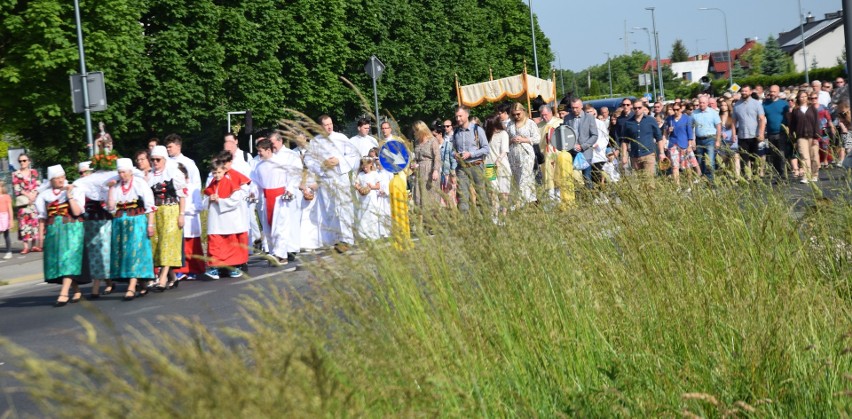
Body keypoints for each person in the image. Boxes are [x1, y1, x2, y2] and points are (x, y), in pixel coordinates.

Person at [303, 115, 361, 252]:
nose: (329, 127)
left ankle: (345, 240)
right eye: (326, 125)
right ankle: (334, 239)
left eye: (331, 124)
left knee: (343, 208)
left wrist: (339, 160)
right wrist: (322, 165)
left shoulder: (341, 138)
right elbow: (309, 161)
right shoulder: (315, 142)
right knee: (329, 210)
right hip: (326, 179)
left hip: (340, 178)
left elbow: (354, 156)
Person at [36, 165, 86, 306]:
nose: (60, 180)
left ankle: (63, 293)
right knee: (60, 263)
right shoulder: (44, 196)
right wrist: (40, 236)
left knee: (69, 259)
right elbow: (42, 218)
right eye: (56, 178)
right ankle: (75, 289)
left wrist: (69, 195)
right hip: (54, 231)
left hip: (72, 229)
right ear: (51, 180)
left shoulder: (75, 190)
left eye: (62, 177)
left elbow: (77, 212)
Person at [107, 158, 156, 301]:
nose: (121, 175)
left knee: (135, 251)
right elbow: (111, 207)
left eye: (124, 172)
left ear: (130, 171)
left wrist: (150, 225)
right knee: (125, 253)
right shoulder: (116, 186)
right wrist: (110, 188)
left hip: (136, 221)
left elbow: (150, 205)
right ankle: (142, 283)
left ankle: (131, 287)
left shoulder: (140, 183)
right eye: (119, 172)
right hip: (121, 223)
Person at [252, 139, 301, 270]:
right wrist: (253, 193)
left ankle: (282, 255)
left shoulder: (281, 163)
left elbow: (292, 178)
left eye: (260, 151)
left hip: (280, 199)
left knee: (280, 228)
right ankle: (273, 253)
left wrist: (289, 190)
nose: (259, 153)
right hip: (267, 198)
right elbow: (255, 183)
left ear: (268, 150)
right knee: (268, 229)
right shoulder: (259, 166)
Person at [73, 160, 116, 299]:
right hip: (87, 223)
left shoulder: (99, 185)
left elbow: (109, 203)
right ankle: (108, 281)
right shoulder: (79, 187)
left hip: (102, 221)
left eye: (86, 172)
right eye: (81, 172)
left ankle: (96, 286)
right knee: (93, 254)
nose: (84, 174)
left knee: (102, 252)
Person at [204, 157, 252, 278]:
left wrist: (219, 200)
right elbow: (204, 200)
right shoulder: (212, 185)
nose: (217, 175)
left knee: (230, 244)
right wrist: (209, 199)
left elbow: (235, 200)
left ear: (224, 171)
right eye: (214, 173)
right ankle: (214, 267)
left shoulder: (231, 183)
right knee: (215, 243)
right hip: (215, 219)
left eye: (219, 172)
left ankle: (233, 266)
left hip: (228, 219)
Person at [148, 145, 186, 290]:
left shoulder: (174, 173)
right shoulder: (150, 176)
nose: (155, 163)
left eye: (158, 160)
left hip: (171, 210)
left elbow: (182, 196)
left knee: (168, 243)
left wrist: (181, 215)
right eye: (153, 160)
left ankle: (162, 277)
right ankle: (173, 277)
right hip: (157, 212)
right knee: (157, 243)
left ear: (164, 159)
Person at [451, 105, 491, 213]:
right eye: (456, 117)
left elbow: (486, 149)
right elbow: (452, 149)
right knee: (462, 196)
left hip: (476, 165)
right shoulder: (455, 132)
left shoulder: (477, 130)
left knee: (482, 195)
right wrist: (454, 154)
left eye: (460, 116)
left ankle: (485, 221)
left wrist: (471, 154)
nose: (458, 119)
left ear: (467, 115)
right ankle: (465, 225)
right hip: (461, 168)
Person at [173, 163, 204, 281]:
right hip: (177, 222)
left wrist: (183, 210)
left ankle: (194, 270)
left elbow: (198, 206)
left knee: (191, 249)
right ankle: (180, 270)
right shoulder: (175, 188)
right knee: (180, 248)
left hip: (191, 222)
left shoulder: (193, 188)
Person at [506, 102, 540, 205]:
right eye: (514, 114)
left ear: (523, 112)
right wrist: (512, 140)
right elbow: (506, 139)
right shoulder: (510, 124)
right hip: (513, 154)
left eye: (518, 114)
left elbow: (537, 138)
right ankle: (531, 200)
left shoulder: (530, 123)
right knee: (517, 178)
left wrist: (524, 139)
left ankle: (522, 202)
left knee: (524, 178)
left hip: (526, 153)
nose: (516, 116)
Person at [619, 100, 664, 178]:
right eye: (635, 108)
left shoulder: (651, 120)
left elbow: (659, 138)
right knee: (640, 181)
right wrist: (624, 156)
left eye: (639, 107)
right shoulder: (628, 123)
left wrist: (662, 153)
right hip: (634, 156)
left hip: (648, 154)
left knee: (649, 181)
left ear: (643, 108)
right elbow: (625, 141)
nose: (637, 110)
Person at [731, 85, 767, 179]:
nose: (743, 93)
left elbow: (762, 119)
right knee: (744, 159)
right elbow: (734, 122)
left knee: (755, 159)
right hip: (742, 136)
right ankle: (746, 178)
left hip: (754, 136)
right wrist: (733, 134)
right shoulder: (737, 105)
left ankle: (755, 178)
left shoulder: (756, 104)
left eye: (745, 91)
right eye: (742, 91)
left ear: (750, 92)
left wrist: (761, 133)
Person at [562, 98, 598, 185]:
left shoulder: (589, 118)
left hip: (585, 153)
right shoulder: (567, 118)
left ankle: (589, 197)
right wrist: (571, 145)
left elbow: (594, 135)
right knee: (574, 178)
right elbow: (565, 134)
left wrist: (583, 146)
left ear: (581, 106)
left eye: (577, 107)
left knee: (587, 178)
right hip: (572, 152)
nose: (574, 110)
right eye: (573, 107)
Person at [788, 91, 821, 184]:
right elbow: (792, 124)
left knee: (814, 155)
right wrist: (792, 136)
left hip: (812, 135)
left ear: (807, 97)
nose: (803, 98)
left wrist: (816, 137)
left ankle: (814, 174)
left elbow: (816, 123)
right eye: (801, 97)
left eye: (805, 96)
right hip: (801, 136)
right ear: (798, 98)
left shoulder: (812, 109)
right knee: (804, 156)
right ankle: (806, 175)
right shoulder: (796, 110)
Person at [12, 153, 41, 254]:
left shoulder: (34, 172)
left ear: (29, 161)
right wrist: (29, 195)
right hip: (24, 202)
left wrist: (34, 194)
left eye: (24, 160)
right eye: (20, 161)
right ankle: (25, 246)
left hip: (33, 201)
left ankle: (33, 245)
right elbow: (17, 188)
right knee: (23, 223)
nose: (22, 163)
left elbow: (38, 184)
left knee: (34, 222)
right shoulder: (16, 174)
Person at [663, 102, 699, 185]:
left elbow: (690, 133)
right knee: (675, 166)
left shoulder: (687, 118)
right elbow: (665, 132)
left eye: (677, 109)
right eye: (674, 110)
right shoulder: (669, 119)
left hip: (684, 144)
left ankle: (690, 183)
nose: (675, 111)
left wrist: (690, 145)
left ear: (681, 109)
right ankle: (677, 186)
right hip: (673, 144)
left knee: (687, 166)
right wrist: (669, 130)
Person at [762, 85, 792, 179]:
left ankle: (784, 175)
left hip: (782, 132)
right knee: (774, 155)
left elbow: (788, 117)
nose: (772, 93)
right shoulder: (764, 105)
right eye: (771, 91)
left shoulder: (784, 104)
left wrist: (789, 130)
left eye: (774, 92)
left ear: (778, 92)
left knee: (782, 154)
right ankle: (778, 175)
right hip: (771, 133)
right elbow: (762, 119)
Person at [411, 121, 441, 209]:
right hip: (419, 172)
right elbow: (415, 157)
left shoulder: (432, 140)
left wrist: (436, 170)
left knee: (430, 198)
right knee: (419, 197)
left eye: (416, 131)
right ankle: (422, 219)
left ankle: (432, 219)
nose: (414, 133)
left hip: (429, 171)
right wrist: (413, 164)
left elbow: (437, 157)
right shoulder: (416, 142)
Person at [692, 95, 722, 181]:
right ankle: (703, 178)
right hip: (699, 139)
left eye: (703, 103)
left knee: (710, 161)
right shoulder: (694, 113)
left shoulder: (713, 113)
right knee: (700, 160)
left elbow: (718, 126)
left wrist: (718, 140)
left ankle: (710, 180)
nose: (701, 104)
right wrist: (693, 140)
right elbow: (692, 127)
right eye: (700, 102)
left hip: (710, 139)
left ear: (707, 103)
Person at [485, 114, 510, 214]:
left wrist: (498, 160)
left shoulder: (503, 134)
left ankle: (503, 215)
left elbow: (504, 150)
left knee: (504, 192)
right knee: (492, 191)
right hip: (489, 166)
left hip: (502, 165)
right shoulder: (487, 135)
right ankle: (494, 213)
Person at [354, 158, 382, 240]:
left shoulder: (374, 174)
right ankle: (363, 234)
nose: (365, 168)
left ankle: (373, 234)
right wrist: (359, 188)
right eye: (363, 167)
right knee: (363, 214)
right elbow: (356, 184)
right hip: (363, 197)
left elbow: (378, 186)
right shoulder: (361, 175)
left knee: (372, 214)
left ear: (370, 165)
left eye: (366, 166)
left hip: (371, 196)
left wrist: (371, 187)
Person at [538, 104, 562, 199]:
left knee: (558, 174)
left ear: (551, 112)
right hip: (545, 154)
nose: (544, 117)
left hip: (557, 153)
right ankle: (550, 197)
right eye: (542, 115)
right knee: (548, 176)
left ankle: (559, 195)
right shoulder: (539, 126)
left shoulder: (559, 122)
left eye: (546, 114)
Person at [585, 105, 610, 186]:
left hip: (598, 155)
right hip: (587, 155)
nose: (589, 113)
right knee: (589, 178)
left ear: (594, 112)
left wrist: (597, 145)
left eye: (590, 112)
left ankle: (603, 195)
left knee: (599, 177)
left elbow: (605, 138)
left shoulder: (600, 123)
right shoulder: (583, 124)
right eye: (587, 112)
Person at [438, 119, 458, 208]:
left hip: (451, 167)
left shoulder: (455, 136)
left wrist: (453, 172)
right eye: (444, 126)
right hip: (443, 170)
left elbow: (453, 157)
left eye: (447, 126)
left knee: (452, 195)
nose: (446, 128)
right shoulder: (443, 137)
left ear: (452, 126)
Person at [0, 181, 12, 259]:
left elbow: (10, 208)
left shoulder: (6, 196)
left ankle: (8, 251)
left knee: (6, 234)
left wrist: (10, 220)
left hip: (4, 216)